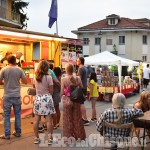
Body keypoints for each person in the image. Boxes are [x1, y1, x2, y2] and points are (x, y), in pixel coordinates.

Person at [0, 55, 27, 139]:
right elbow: (25, 81)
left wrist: (5, 82)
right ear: (15, 61)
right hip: (16, 95)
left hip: (7, 95)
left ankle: (7, 134)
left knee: (7, 115)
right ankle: (18, 132)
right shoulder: (19, 69)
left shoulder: (4, 69)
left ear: (8, 61)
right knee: (18, 114)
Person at [61, 63, 86, 141]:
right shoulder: (78, 78)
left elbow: (62, 92)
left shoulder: (63, 79)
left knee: (67, 120)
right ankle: (79, 136)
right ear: (73, 70)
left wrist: (66, 92)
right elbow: (81, 88)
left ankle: (69, 137)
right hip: (76, 100)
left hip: (67, 100)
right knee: (77, 118)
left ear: (66, 70)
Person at [33, 60, 55, 144]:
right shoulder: (48, 77)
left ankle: (36, 138)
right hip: (47, 98)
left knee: (36, 120)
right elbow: (51, 90)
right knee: (49, 121)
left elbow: (34, 87)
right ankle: (50, 139)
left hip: (38, 99)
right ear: (47, 67)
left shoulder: (35, 77)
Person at [76, 57, 90, 126]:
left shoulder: (81, 68)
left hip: (81, 88)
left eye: (78, 60)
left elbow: (79, 79)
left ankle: (85, 119)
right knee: (81, 103)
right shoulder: (85, 68)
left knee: (81, 104)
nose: (76, 61)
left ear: (80, 61)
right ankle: (83, 118)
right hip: (84, 87)